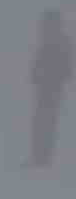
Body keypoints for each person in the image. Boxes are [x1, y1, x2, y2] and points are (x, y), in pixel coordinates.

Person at [30, 9, 72, 168]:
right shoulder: (46, 40)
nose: (44, 26)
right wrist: (35, 75)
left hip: (52, 88)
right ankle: (38, 157)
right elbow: (37, 63)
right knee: (40, 122)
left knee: (46, 122)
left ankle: (42, 159)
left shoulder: (61, 41)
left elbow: (67, 68)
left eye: (47, 22)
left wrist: (51, 76)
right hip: (44, 87)